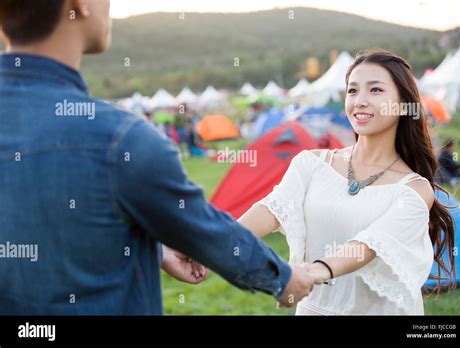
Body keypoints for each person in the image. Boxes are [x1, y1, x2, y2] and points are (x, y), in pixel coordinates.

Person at [0, 0, 318, 315]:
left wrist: (155, 251)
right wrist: (285, 278)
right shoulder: (119, 139)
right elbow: (204, 230)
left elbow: (47, 229)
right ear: (80, 4)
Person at [239, 49, 456, 315]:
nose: (360, 101)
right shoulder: (311, 163)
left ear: (402, 103)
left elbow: (368, 246)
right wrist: (215, 241)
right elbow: (272, 210)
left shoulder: (413, 189)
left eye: (375, 90)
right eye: (353, 91)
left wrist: (308, 274)